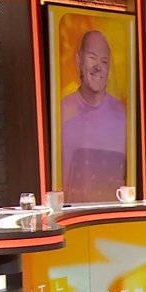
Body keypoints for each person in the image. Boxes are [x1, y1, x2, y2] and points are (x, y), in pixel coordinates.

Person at [60, 29, 128, 203]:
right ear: (78, 60)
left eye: (104, 61)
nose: (98, 66)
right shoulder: (62, 112)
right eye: (92, 57)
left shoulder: (123, 117)